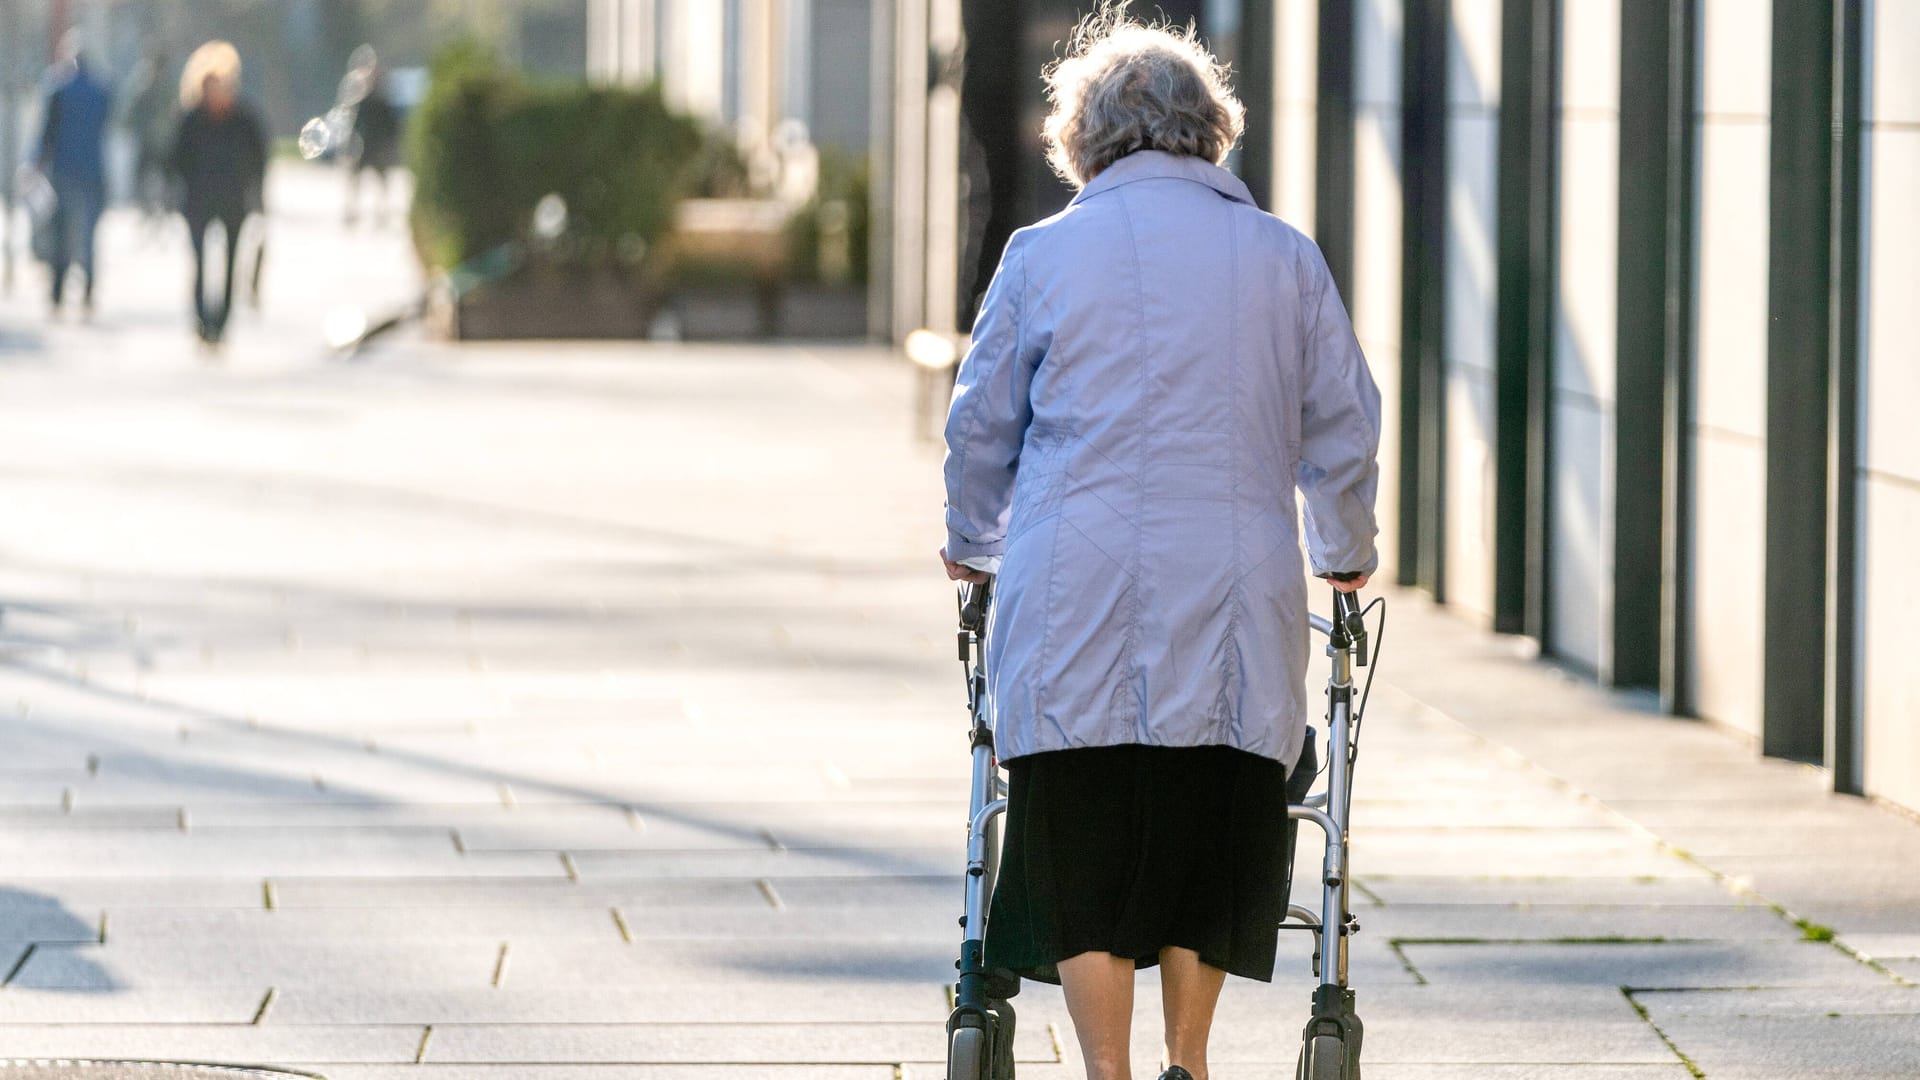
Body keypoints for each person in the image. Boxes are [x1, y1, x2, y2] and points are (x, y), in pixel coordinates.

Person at [937, 9, 1382, 1080]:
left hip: (1073, 593)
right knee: (1211, 822)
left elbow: (980, 424)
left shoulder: (1042, 257)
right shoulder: (1283, 258)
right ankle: (1190, 1059)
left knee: (1081, 831)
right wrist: (1344, 546)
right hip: (1234, 597)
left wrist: (970, 540)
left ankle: (1109, 1072)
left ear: (1081, 140)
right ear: (1214, 132)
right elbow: (1343, 424)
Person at [169, 41, 267, 347]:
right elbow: (175, 159)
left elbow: (259, 159)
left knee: (230, 262)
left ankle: (221, 321)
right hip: (198, 200)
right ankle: (201, 318)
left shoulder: (245, 119)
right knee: (198, 261)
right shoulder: (190, 119)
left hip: (233, 201)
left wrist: (258, 196)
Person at [34, 30, 111, 317]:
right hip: (91, 170)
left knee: (61, 233)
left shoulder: (56, 87)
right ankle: (88, 291)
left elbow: (46, 133)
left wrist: (37, 164)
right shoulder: (102, 90)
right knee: (88, 234)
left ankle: (57, 293)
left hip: (62, 169)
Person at [342, 47, 401, 228]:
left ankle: (380, 213)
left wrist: (391, 143)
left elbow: (391, 125)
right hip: (365, 145)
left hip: (378, 146)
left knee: (381, 181)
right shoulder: (364, 98)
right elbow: (355, 122)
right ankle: (353, 211)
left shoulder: (383, 100)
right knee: (356, 179)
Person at [120, 44, 179, 225]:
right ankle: (146, 208)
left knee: (166, 176)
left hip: (164, 141)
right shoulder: (146, 86)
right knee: (141, 175)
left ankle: (165, 206)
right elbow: (132, 112)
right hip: (151, 140)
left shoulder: (166, 87)